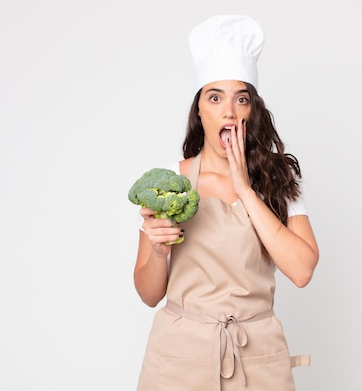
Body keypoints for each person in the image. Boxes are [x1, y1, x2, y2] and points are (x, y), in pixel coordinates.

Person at [133, 14, 319, 391]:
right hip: (179, 359)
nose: (229, 111)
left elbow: (301, 271)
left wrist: (247, 191)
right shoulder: (173, 183)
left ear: (252, 111)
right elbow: (149, 294)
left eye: (241, 99)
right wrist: (156, 251)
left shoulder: (276, 181)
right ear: (200, 110)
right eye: (215, 97)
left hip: (257, 357)